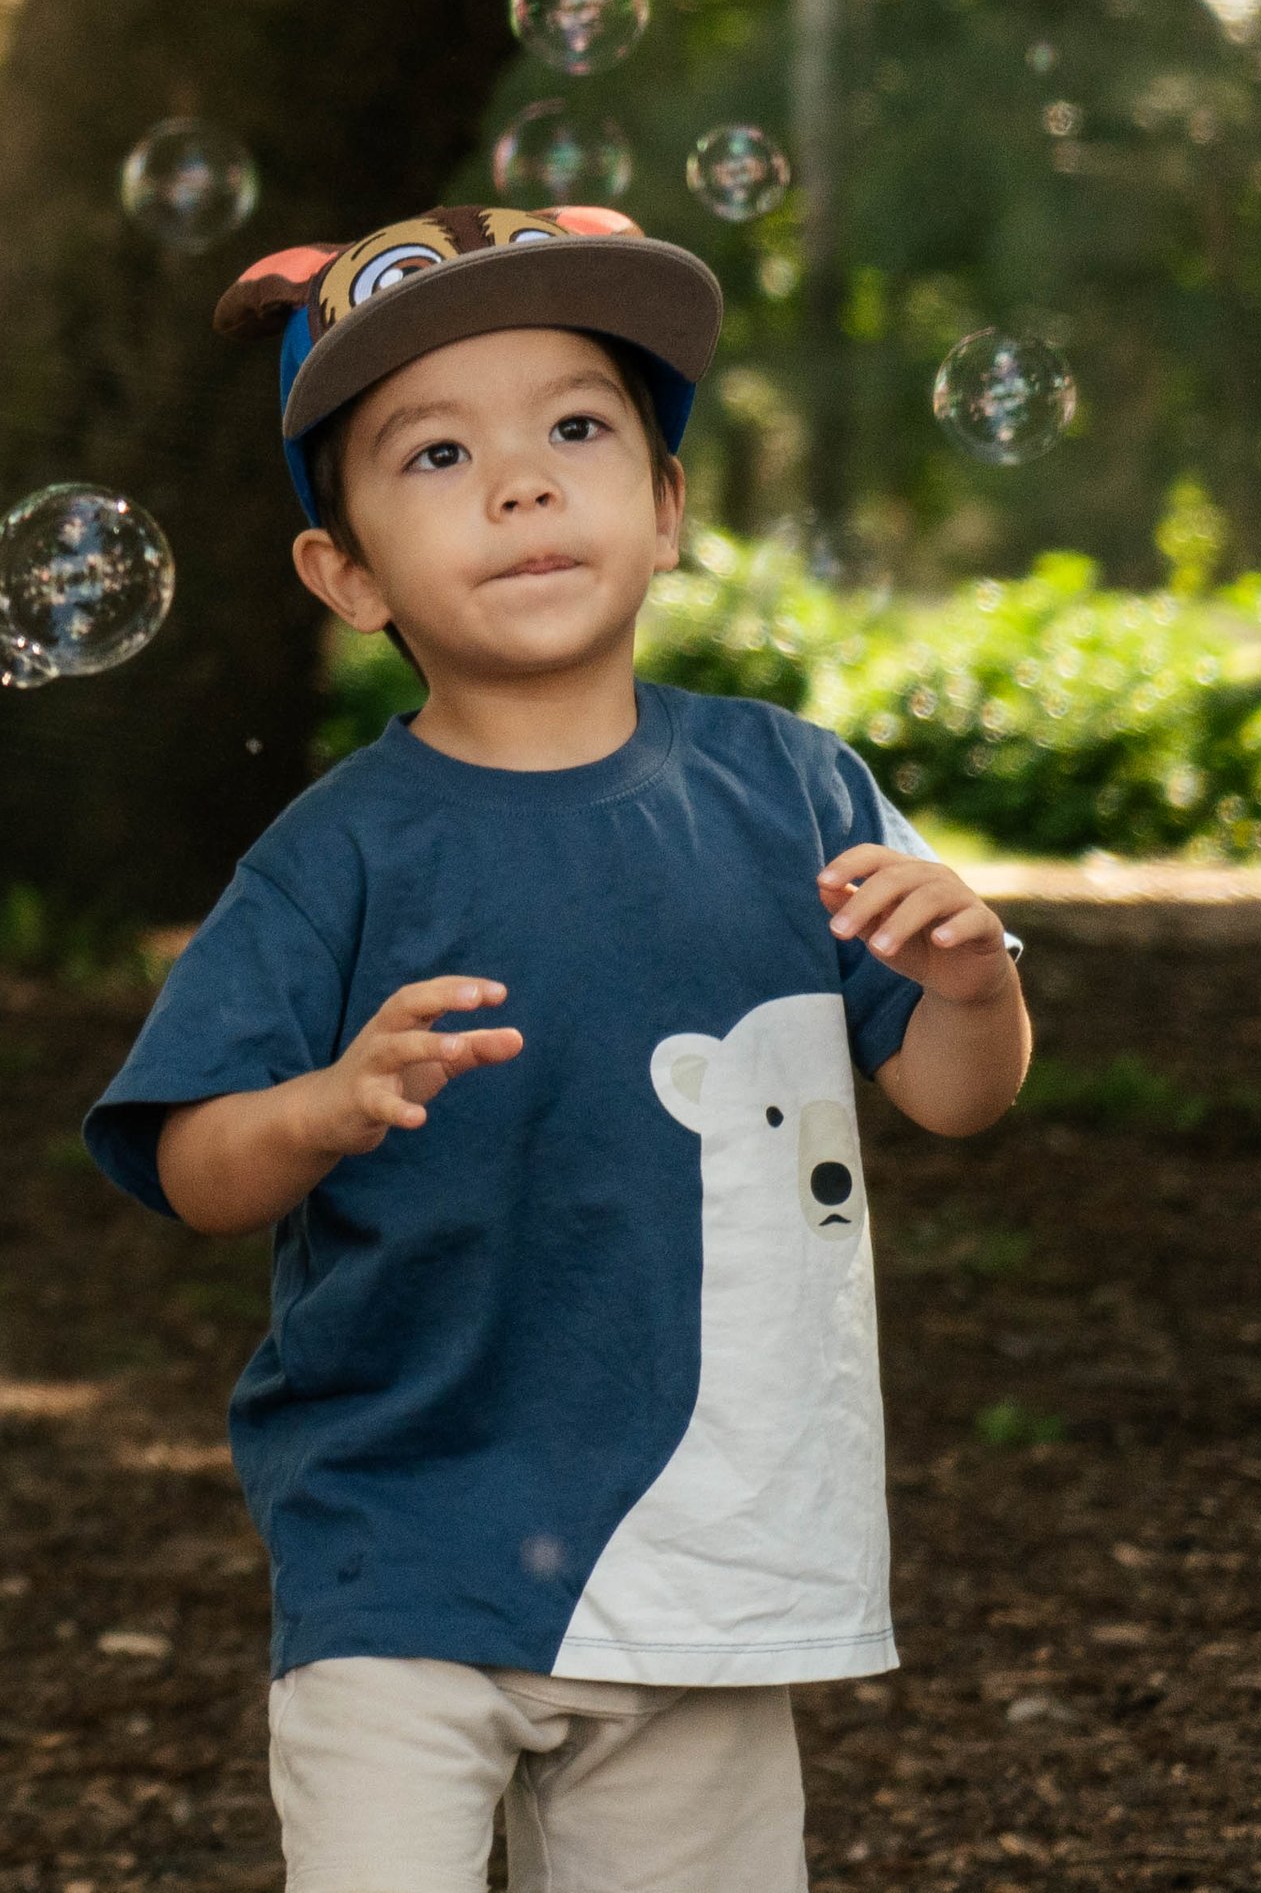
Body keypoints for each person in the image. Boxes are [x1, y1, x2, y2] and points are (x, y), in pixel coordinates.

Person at [83, 201, 1032, 1893]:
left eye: (577, 427)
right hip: (402, 1540)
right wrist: (320, 1104)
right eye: (436, 450)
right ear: (346, 570)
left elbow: (955, 1099)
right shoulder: (337, 853)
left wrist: (973, 988)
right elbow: (189, 1161)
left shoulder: (795, 789)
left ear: (666, 508)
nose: (522, 482)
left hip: (711, 1541)